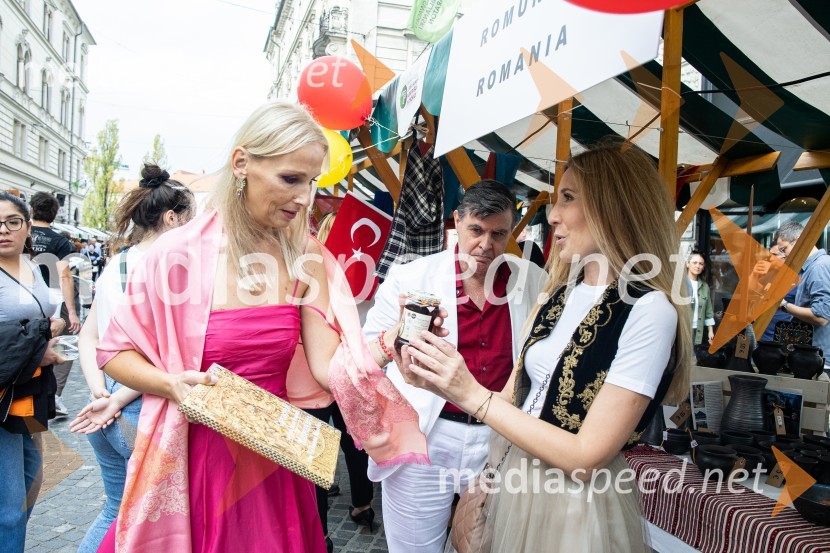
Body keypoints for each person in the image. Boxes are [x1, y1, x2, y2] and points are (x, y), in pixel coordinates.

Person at [94, 101, 438, 553]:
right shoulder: (175, 255)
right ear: (242, 164)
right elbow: (114, 354)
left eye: (312, 182)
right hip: (198, 459)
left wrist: (388, 344)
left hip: (276, 457)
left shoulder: (307, 256)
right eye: (290, 179)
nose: (304, 198)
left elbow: (329, 368)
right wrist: (170, 384)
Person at [401, 139, 691, 552]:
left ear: (613, 205)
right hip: (512, 482)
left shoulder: (649, 309)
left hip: (571, 506)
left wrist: (469, 392)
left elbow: (586, 456)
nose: (552, 215)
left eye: (568, 198)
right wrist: (438, 379)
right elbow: (515, 398)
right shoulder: (559, 294)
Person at [362, 179, 547, 553]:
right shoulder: (411, 277)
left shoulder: (533, 282)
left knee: (492, 545)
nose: (486, 245)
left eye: (499, 234)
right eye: (476, 230)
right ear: (457, 221)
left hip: (500, 438)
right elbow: (367, 353)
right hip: (426, 436)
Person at [70, 165, 195, 553]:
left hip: (107, 396)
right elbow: (156, 355)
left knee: (114, 510)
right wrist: (117, 401)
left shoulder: (118, 263)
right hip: (138, 402)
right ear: (172, 218)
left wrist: (98, 393)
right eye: (191, 220)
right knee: (148, 520)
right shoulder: (169, 269)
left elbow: (90, 337)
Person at [0, 192, 67, 552]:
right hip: (4, 394)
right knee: (10, 506)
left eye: (12, 222)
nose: (3, 230)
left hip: (30, 393)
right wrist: (36, 352)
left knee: (30, 483)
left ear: (28, 227)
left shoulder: (33, 267)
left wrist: (52, 325)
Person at [29, 192, 81, 417]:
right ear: (55, 213)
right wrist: (71, 311)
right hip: (53, 299)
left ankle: (27, 389)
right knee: (64, 344)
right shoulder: (61, 242)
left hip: (25, 297)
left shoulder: (21, 234)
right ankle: (55, 394)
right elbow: (65, 276)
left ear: (31, 210)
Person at [774, 221, 830, 375]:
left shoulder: (819, 267)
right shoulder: (813, 267)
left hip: (819, 361)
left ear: (799, 240)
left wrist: (784, 305)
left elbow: (821, 317)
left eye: (784, 249)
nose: (784, 254)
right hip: (813, 357)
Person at [687, 250, 715, 348]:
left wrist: (710, 331)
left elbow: (708, 310)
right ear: (687, 264)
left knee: (693, 358)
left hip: (697, 329)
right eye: (694, 263)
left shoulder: (704, 286)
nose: (697, 266)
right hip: (682, 329)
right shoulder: (679, 284)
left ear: (703, 267)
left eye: (701, 264)